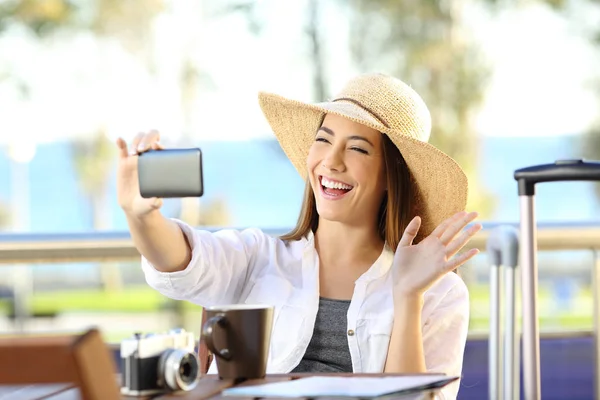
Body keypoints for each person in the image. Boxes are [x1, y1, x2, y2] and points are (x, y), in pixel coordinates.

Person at [115, 73, 481, 400]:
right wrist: (140, 215)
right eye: (323, 140)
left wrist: (407, 295)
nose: (331, 161)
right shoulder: (258, 259)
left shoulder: (439, 293)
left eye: (357, 148)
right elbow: (181, 262)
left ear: (391, 175)